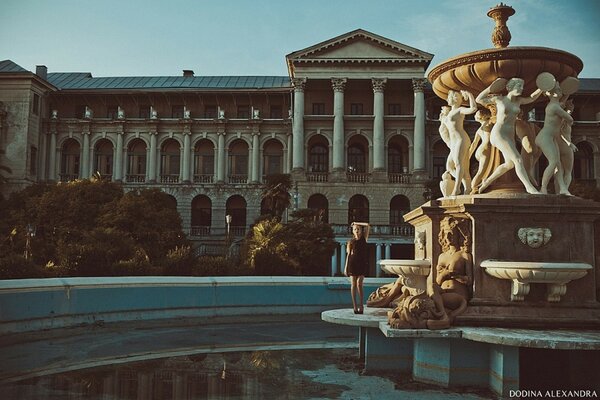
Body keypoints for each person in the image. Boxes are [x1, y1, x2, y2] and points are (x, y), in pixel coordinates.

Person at [476, 77, 542, 194]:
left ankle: (486, 182)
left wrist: (541, 88)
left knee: (509, 164)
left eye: (522, 86)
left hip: (510, 135)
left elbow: (532, 98)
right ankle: (529, 187)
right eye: (518, 86)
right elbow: (479, 99)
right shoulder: (499, 99)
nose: (521, 89)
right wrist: (490, 88)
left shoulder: (518, 101)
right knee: (518, 160)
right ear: (510, 87)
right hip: (499, 134)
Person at [535, 84, 575, 194]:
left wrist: (568, 92)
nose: (560, 90)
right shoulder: (554, 107)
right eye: (558, 89)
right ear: (552, 93)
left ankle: (563, 189)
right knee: (553, 162)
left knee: (557, 164)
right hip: (545, 138)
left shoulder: (555, 105)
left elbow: (563, 103)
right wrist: (568, 114)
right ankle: (543, 188)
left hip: (550, 138)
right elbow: (570, 119)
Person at [444, 90, 477, 195]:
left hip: (461, 140)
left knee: (459, 165)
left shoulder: (460, 110)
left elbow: (473, 109)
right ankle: (467, 186)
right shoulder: (449, 113)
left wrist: (470, 95)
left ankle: (457, 188)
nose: (448, 98)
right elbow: (443, 130)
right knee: (450, 166)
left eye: (451, 96)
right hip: (453, 142)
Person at [344, 222, 369, 314]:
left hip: (362, 264)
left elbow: (367, 225)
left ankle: (361, 305)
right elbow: (348, 255)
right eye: (355, 229)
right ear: (353, 231)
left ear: (361, 230)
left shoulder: (364, 238)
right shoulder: (350, 242)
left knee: (359, 284)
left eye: (358, 229)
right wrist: (346, 267)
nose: (357, 231)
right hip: (352, 264)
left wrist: (356, 223)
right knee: (353, 285)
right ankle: (354, 306)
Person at [468, 109, 493, 193]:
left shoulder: (479, 129)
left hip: (479, 150)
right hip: (486, 149)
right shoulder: (490, 123)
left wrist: (467, 157)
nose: (474, 116)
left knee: (486, 171)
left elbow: (474, 144)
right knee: (481, 172)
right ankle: (473, 187)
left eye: (476, 114)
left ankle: (482, 185)